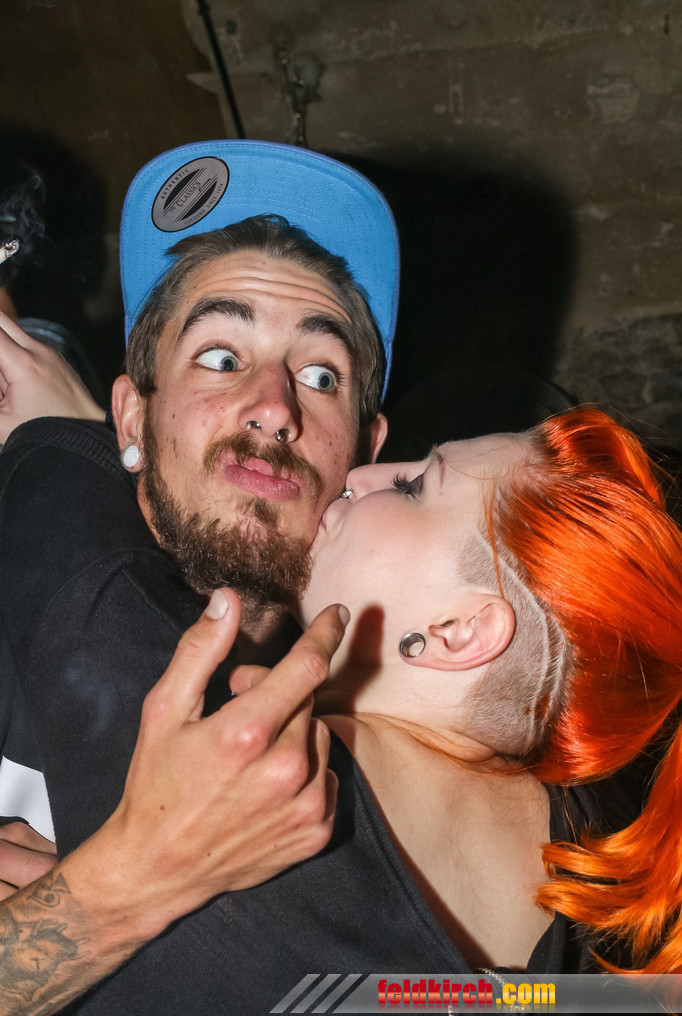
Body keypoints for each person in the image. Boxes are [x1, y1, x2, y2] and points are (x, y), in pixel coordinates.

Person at [4, 405, 682, 1014]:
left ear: (457, 632)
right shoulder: (595, 870)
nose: (363, 475)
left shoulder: (238, 758)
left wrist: (73, 434)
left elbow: (62, 511)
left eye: (414, 487)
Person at [0, 138, 397, 1013]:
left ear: (367, 458)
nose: (274, 406)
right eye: (221, 357)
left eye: (320, 374)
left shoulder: (366, 773)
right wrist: (118, 895)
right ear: (130, 418)